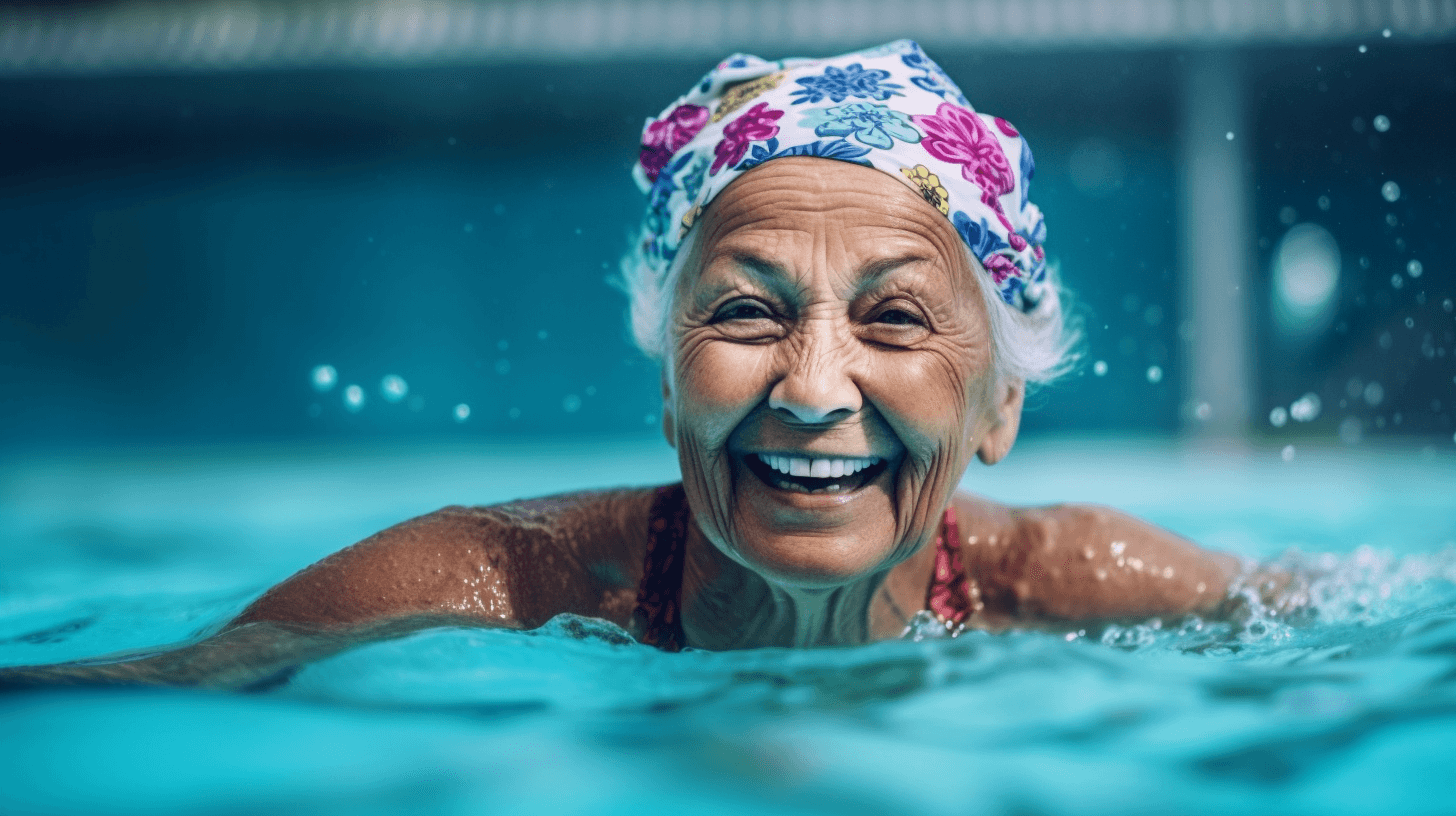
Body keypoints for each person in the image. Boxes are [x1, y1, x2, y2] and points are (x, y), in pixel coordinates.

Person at [1, 41, 1245, 691]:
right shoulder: (493, 579)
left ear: (1000, 407)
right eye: (749, 315)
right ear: (665, 385)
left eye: (896, 320)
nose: (813, 389)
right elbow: (166, 683)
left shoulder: (1091, 584)